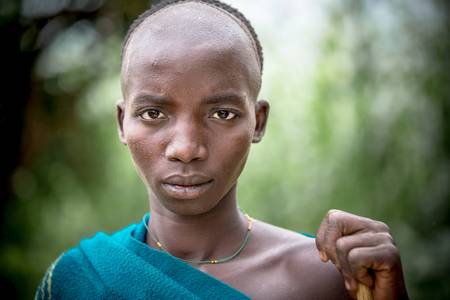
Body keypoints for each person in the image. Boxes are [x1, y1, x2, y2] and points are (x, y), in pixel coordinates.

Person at [36, 0, 409, 299]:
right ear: (122, 123)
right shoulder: (79, 282)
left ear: (258, 122)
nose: (186, 149)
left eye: (222, 113)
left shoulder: (328, 280)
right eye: (153, 113)